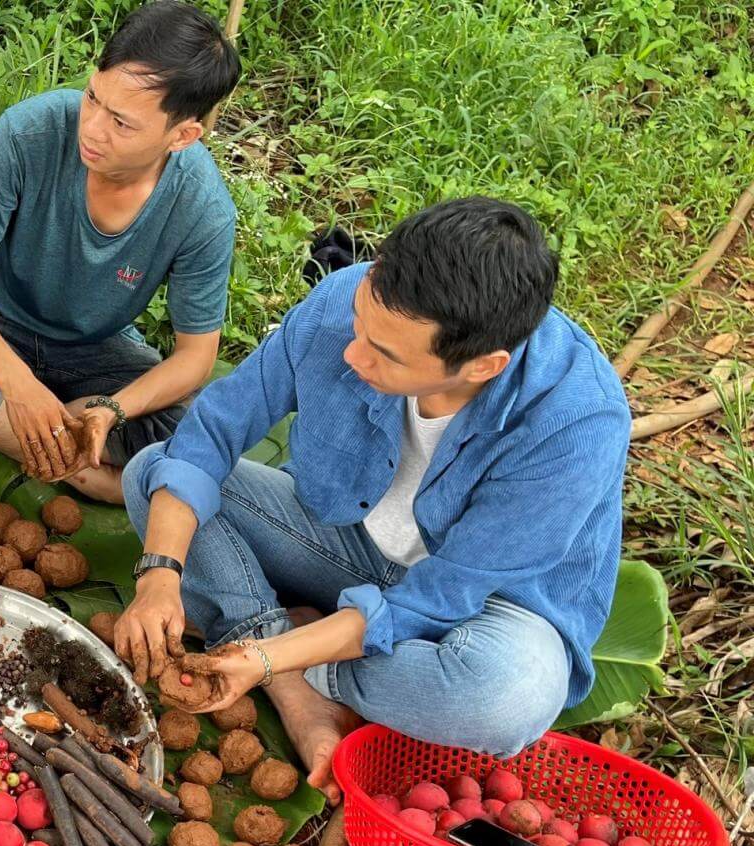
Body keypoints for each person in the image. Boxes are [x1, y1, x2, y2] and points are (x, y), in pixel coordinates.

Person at [110, 198, 630, 799]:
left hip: (481, 608)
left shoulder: (574, 422)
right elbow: (214, 433)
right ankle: (285, 653)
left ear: (483, 366)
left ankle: (285, 654)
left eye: (385, 354)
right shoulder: (351, 299)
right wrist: (159, 574)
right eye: (361, 324)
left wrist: (271, 658)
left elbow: (436, 600)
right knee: (156, 470)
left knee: (505, 699)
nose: (354, 354)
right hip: (346, 543)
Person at [0, 0, 241, 503]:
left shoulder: (203, 209)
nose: (93, 128)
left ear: (183, 135)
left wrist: (111, 411)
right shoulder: (27, 134)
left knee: (197, 414)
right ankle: (90, 475)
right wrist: (18, 386)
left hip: (93, 353)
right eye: (92, 98)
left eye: (122, 123)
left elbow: (195, 358)